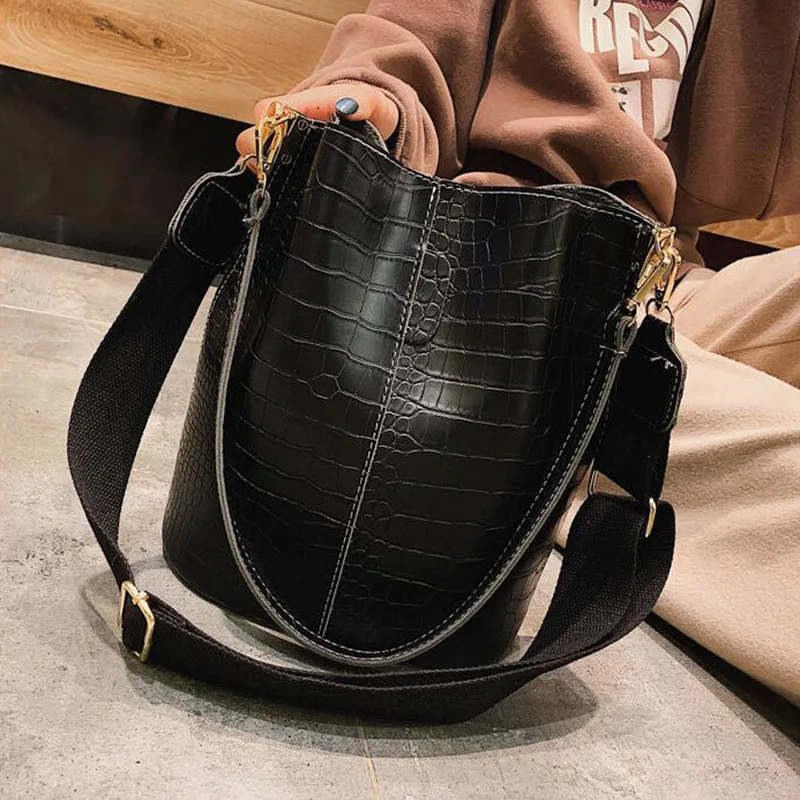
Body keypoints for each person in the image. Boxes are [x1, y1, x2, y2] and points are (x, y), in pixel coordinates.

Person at [236, 1, 800, 704]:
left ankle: (564, 481)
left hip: (661, 279)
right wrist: (368, 101)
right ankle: (555, 482)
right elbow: (407, 41)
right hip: (510, 287)